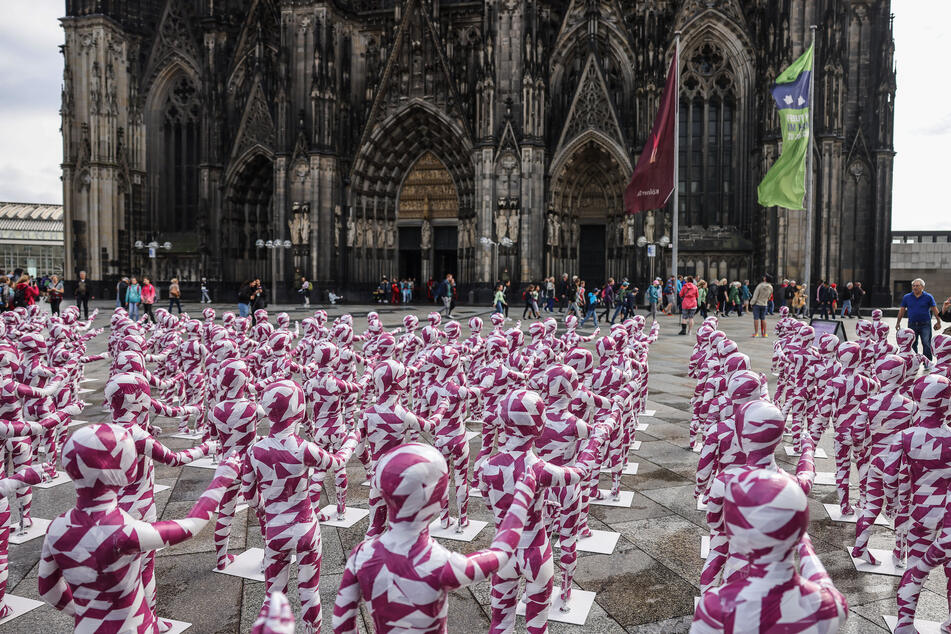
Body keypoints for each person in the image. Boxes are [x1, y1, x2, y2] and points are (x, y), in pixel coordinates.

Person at [896, 278, 942, 361]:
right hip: (912, 324)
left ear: (922, 287)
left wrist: (938, 322)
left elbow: (935, 310)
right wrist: (898, 323)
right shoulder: (907, 297)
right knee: (912, 344)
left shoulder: (928, 297)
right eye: (913, 286)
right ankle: (914, 362)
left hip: (925, 324)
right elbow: (902, 310)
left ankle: (927, 363)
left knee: (926, 343)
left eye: (917, 286)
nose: (915, 287)